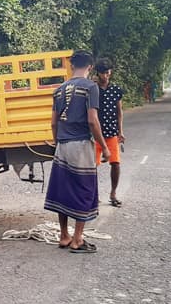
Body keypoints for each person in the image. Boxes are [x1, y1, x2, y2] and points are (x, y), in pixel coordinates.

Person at [44, 50, 108, 254]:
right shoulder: (91, 88)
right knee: (84, 189)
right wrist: (104, 147)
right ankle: (78, 238)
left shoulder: (60, 89)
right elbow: (92, 120)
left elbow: (53, 122)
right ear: (90, 67)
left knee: (63, 189)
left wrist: (58, 142)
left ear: (72, 66)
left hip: (62, 145)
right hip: (81, 145)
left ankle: (64, 235)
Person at [94, 58, 125, 207]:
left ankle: (113, 194)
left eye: (108, 72)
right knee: (92, 166)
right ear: (98, 73)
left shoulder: (116, 90)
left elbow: (119, 112)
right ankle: (94, 195)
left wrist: (120, 131)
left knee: (116, 163)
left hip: (112, 132)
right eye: (103, 73)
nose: (106, 76)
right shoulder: (92, 89)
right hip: (95, 133)